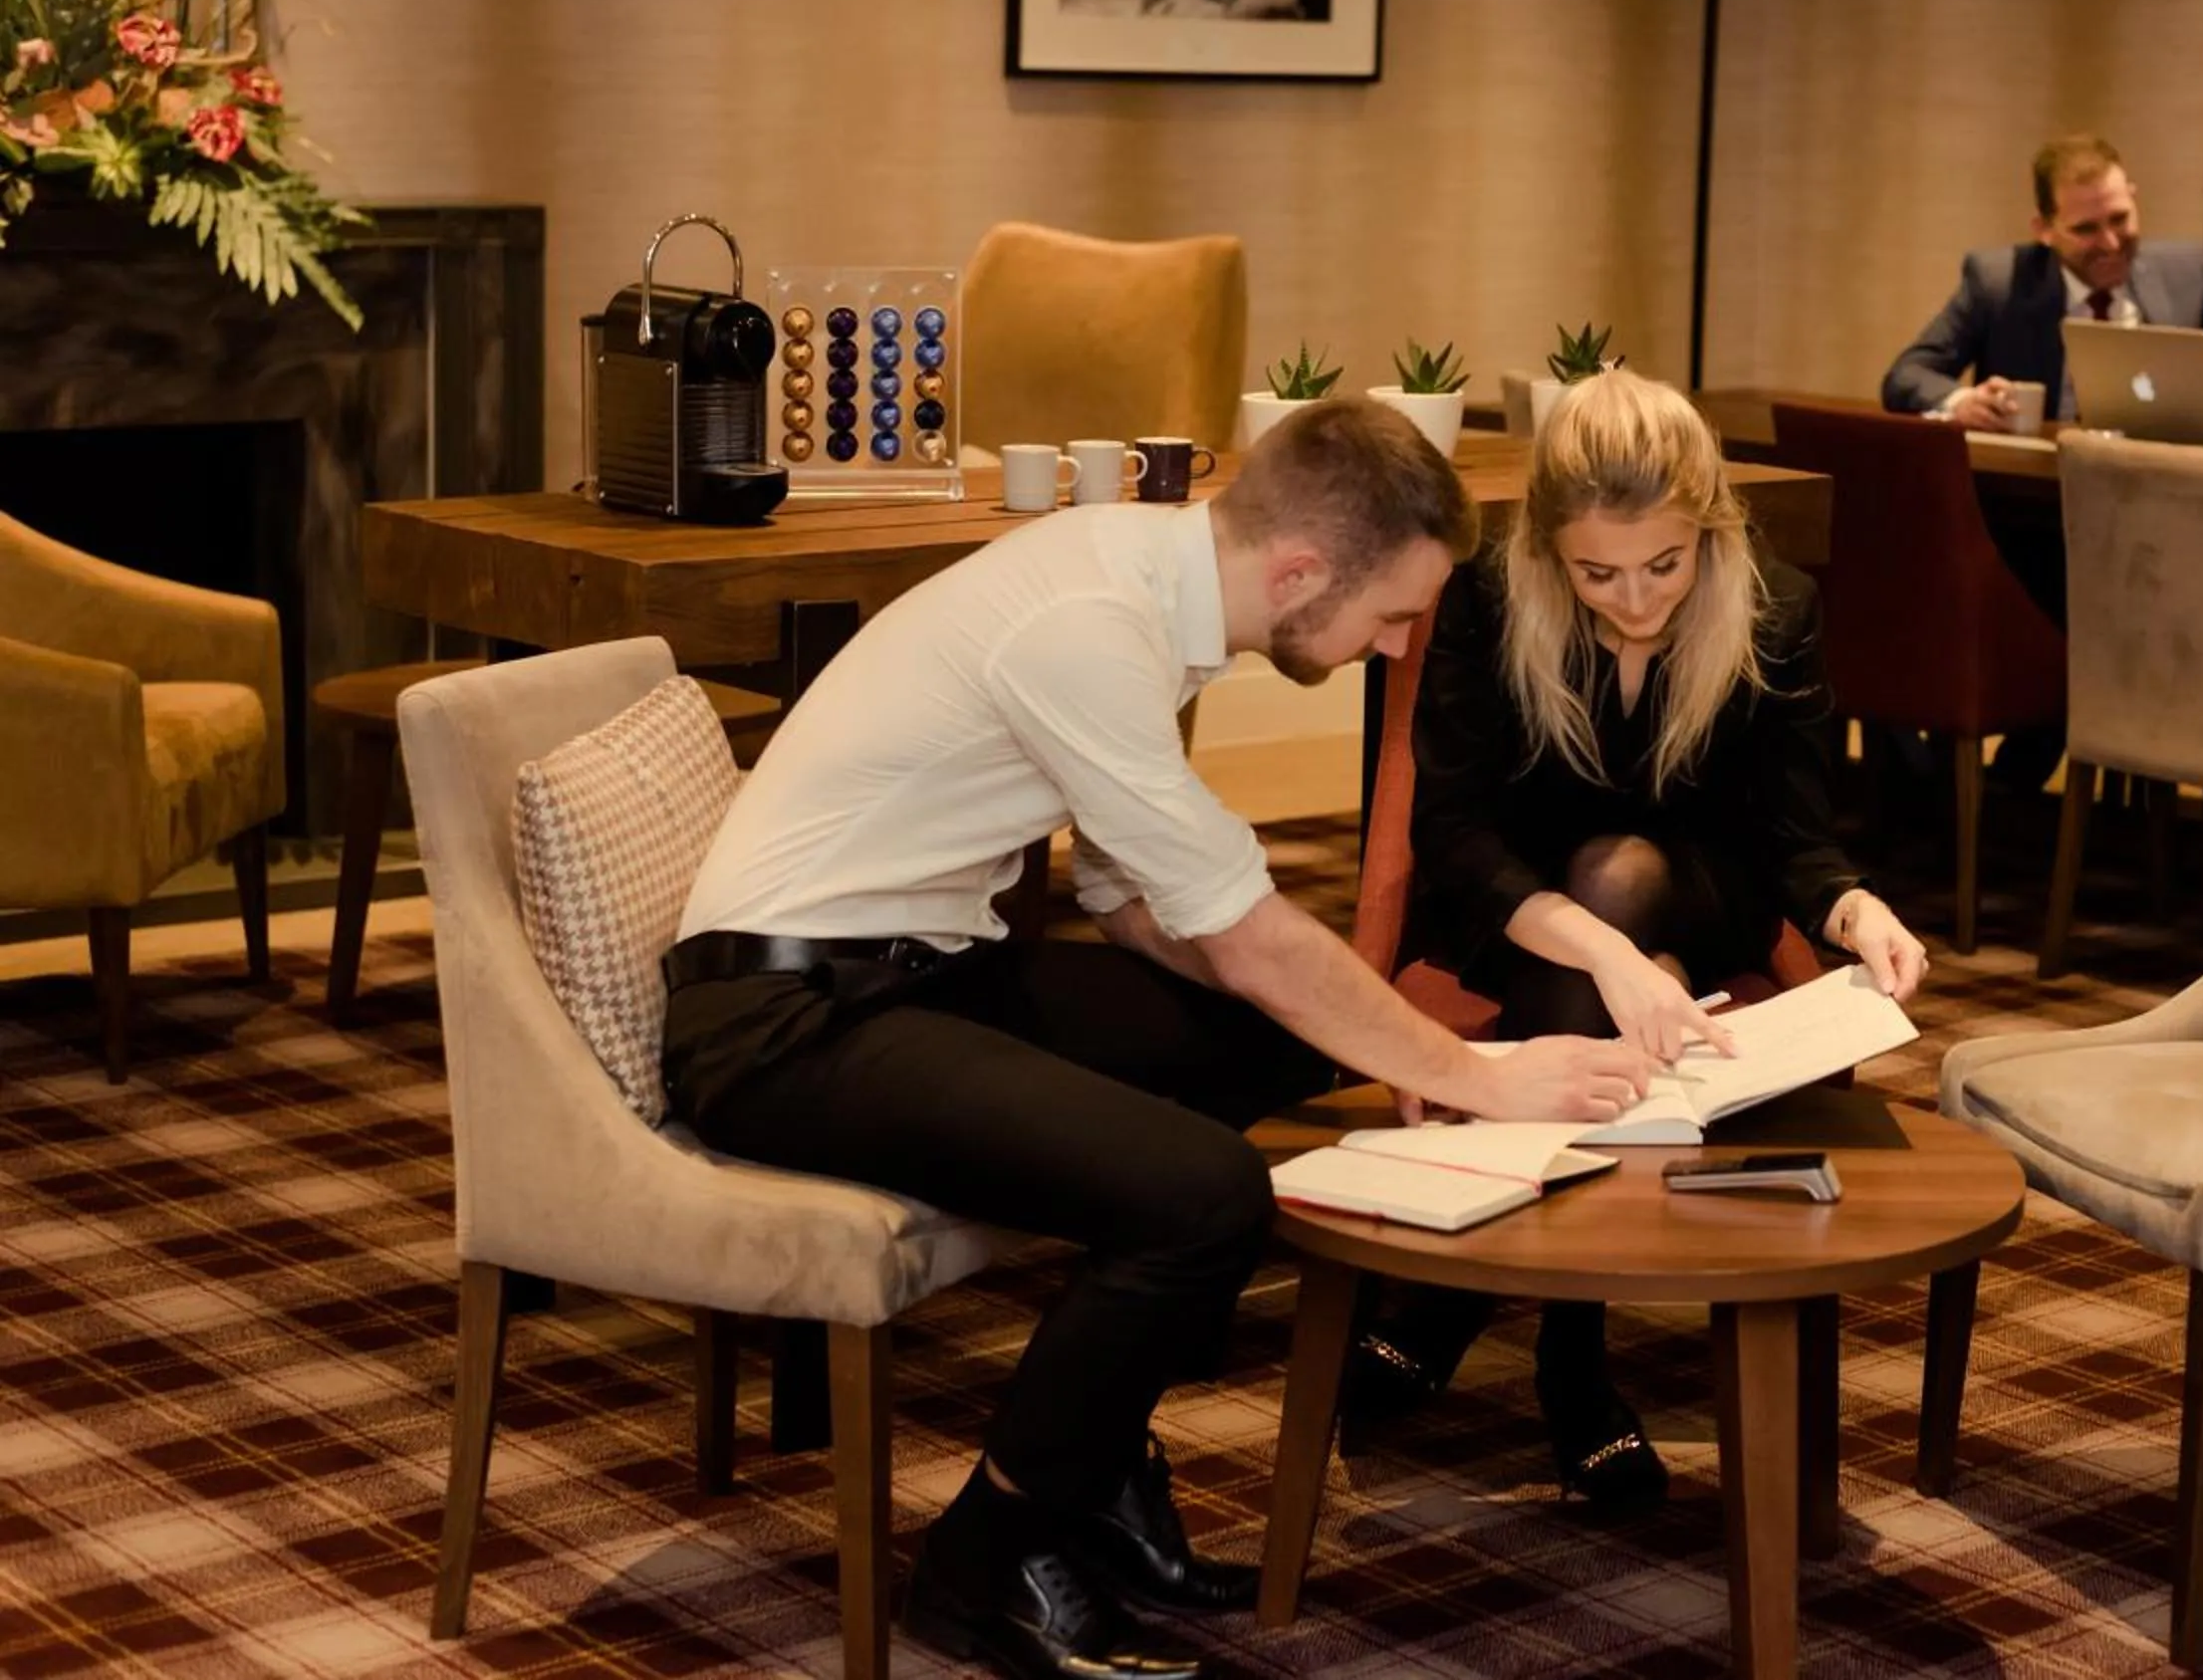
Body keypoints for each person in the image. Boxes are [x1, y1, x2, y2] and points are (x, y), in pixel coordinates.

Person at [659, 401, 1656, 1680]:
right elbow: (1239, 927)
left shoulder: (1147, 584)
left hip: (913, 975)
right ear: (1300, 574)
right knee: (1204, 1195)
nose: (1399, 646)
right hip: (781, 1025)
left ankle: (1099, 1481)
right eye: (1393, 617)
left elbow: (1134, 904)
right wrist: (1473, 1074)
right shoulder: (1090, 626)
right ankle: (985, 1565)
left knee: (1283, 1048)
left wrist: (1387, 1050)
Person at [1343, 369, 1927, 1505]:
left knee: (1633, 872)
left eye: (1666, 564)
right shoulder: (1488, 601)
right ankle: (1573, 1357)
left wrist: (1861, 913)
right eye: (1597, 572)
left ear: (1708, 527)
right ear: (1549, 548)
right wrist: (1617, 961)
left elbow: (1795, 839)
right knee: (1612, 903)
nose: (1638, 599)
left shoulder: (1775, 610)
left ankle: (1466, 1305)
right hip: (1516, 910)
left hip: (1703, 898)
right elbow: (1455, 835)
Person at [1883, 132, 2203, 431]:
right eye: (2086, 229)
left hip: (2159, 491)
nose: (2110, 243)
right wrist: (1963, 402)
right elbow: (1907, 375)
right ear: (2044, 231)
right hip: (2035, 493)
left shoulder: (2185, 274)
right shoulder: (1998, 282)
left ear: (2134, 199)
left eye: (2120, 218)